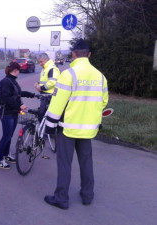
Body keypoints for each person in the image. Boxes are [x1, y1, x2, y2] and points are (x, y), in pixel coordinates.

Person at [44, 39, 109, 209]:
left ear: (73, 55)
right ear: (89, 55)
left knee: (64, 163)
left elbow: (57, 103)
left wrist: (49, 126)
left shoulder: (69, 74)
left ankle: (61, 198)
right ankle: (87, 195)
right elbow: (103, 103)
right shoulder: (100, 77)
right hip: (88, 130)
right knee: (86, 162)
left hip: (68, 129)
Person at [0, 62, 35, 169]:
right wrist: (20, 106)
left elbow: (18, 93)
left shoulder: (12, 81)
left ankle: (6, 155)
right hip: (7, 113)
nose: (19, 72)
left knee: (9, 135)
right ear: (15, 70)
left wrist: (31, 95)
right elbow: (6, 98)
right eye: (19, 70)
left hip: (13, 112)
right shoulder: (5, 81)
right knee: (6, 136)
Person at [34, 53, 60, 122]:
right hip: (45, 95)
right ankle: (42, 129)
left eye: (41, 62)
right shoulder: (45, 68)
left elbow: (52, 82)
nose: (40, 64)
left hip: (49, 95)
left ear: (46, 60)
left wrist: (41, 88)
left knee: (45, 115)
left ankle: (45, 131)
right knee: (42, 114)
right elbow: (45, 81)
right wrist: (39, 83)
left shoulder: (52, 68)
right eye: (39, 62)